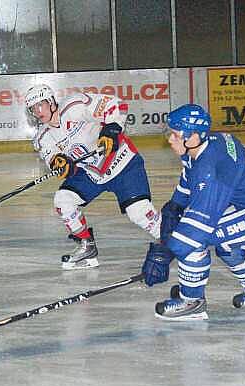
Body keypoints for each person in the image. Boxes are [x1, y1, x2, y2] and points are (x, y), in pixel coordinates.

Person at [142, 104, 245, 321]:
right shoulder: (205, 144)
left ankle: (192, 301)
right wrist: (174, 208)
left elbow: (195, 231)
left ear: (191, 137)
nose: (169, 139)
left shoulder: (211, 171)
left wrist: (164, 255)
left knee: (193, 240)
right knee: (228, 246)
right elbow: (187, 184)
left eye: (173, 134)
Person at [25, 84, 161, 270]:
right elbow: (54, 160)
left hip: (122, 162)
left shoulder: (75, 105)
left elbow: (116, 105)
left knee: (139, 214)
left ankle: (175, 242)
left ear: (51, 101)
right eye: (33, 108)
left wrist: (111, 130)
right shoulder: (43, 138)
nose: (38, 111)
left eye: (41, 104)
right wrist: (62, 164)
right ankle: (86, 246)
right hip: (92, 173)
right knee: (63, 200)